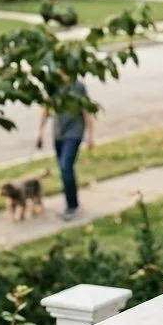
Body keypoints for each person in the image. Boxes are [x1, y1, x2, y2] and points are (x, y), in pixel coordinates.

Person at [36, 76, 94, 222]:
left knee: (66, 166)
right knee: (64, 170)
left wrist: (90, 134)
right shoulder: (53, 86)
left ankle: (71, 206)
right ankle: (71, 199)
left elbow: (86, 110)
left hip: (74, 131)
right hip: (58, 133)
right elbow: (46, 109)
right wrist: (40, 131)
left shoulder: (78, 86)